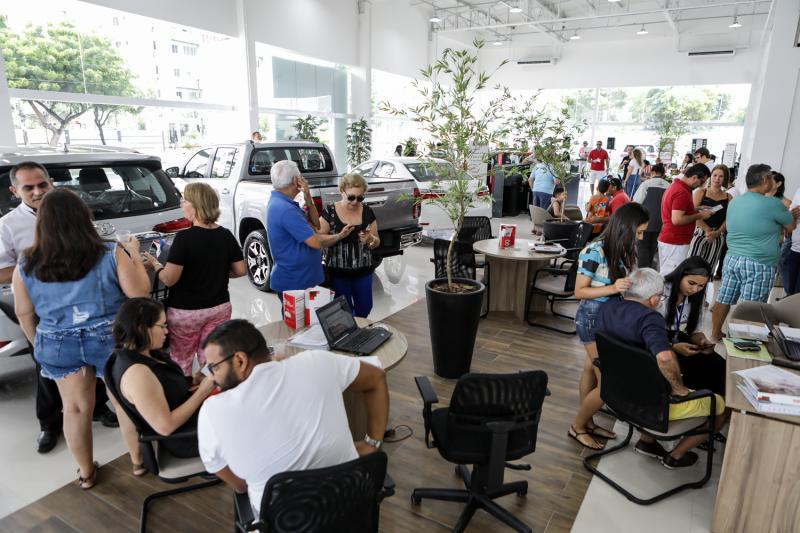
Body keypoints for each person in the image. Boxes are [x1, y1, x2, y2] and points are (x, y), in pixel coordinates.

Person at [12, 189, 151, 489]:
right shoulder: (109, 251)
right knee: (123, 401)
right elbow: (139, 292)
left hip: (56, 341)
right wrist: (134, 254)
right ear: (84, 217)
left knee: (74, 409)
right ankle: (139, 462)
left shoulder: (26, 262)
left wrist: (38, 343)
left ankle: (86, 473)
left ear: (42, 222)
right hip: (108, 336)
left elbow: (24, 311)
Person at [197, 319, 389, 516]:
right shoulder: (317, 362)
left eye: (214, 368)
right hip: (350, 507)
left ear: (240, 360)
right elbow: (376, 377)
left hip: (285, 522)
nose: (211, 377)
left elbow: (233, 480)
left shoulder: (212, 411)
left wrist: (247, 485)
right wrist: (372, 443)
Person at [0, 161, 117, 454]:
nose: (38, 192)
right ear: (15, 191)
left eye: (43, 184)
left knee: (97, 361)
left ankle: (98, 407)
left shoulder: (72, 215)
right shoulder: (8, 225)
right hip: (45, 309)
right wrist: (46, 263)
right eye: (28, 187)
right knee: (48, 371)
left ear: (51, 182)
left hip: (88, 304)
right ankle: (49, 424)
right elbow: (2, 270)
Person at [594, 268, 726, 468]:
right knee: (723, 404)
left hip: (618, 394)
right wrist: (680, 389)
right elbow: (664, 358)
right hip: (652, 404)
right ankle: (677, 456)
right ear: (654, 299)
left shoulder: (607, 307)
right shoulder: (650, 318)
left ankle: (647, 441)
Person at [568, 203, 650, 450]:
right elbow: (579, 291)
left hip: (610, 316)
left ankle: (588, 422)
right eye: (639, 232)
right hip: (592, 318)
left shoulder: (624, 248)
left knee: (590, 369)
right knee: (609, 383)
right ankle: (578, 426)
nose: (641, 238)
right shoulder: (594, 251)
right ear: (626, 227)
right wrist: (613, 288)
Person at [144, 183, 246, 375]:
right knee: (212, 358)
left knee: (182, 360)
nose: (181, 205)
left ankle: (186, 390)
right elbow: (240, 270)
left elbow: (169, 279)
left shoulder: (184, 238)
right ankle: (212, 388)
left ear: (197, 206)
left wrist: (155, 264)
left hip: (186, 313)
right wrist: (216, 271)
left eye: (184, 201)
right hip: (219, 308)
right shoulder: (225, 234)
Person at [110, 298, 216, 468]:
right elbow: (166, 427)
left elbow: (166, 388)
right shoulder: (137, 374)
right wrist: (203, 391)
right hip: (188, 436)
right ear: (142, 328)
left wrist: (194, 380)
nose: (167, 331)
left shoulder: (143, 352)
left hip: (197, 419)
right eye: (162, 326)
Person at [711, 164, 800, 339]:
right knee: (752, 306)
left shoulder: (735, 201)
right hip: (759, 263)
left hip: (733, 258)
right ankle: (743, 341)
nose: (773, 181)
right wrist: (793, 217)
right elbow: (790, 227)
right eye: (771, 178)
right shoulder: (773, 204)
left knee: (724, 297)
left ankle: (715, 334)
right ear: (765, 180)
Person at [266, 160, 354, 297]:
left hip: (302, 278)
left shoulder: (282, 203)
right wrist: (339, 236)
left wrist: (307, 196)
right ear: (295, 180)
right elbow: (316, 242)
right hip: (296, 282)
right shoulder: (286, 209)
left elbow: (316, 224)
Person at [659, 257, 726, 396]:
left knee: (720, 365)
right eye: (691, 283)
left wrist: (702, 340)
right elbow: (645, 333)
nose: (695, 289)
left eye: (701, 286)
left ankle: (718, 403)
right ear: (680, 275)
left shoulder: (696, 297)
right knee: (700, 372)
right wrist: (672, 346)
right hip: (657, 344)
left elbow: (694, 329)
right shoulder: (660, 292)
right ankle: (698, 400)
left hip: (677, 340)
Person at [318, 173, 380, 318]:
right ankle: (352, 329)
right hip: (338, 273)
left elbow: (376, 242)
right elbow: (319, 240)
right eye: (351, 197)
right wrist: (340, 236)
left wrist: (370, 239)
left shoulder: (367, 211)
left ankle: (358, 326)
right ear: (342, 191)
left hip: (364, 271)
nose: (355, 202)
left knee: (365, 307)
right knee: (344, 311)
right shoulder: (330, 212)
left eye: (360, 198)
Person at [657, 163, 713, 275]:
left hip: (671, 240)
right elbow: (677, 219)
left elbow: (677, 210)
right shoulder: (682, 191)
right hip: (675, 242)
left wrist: (696, 209)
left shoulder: (677, 186)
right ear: (694, 178)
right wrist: (701, 215)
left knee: (668, 273)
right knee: (671, 275)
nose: (701, 185)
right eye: (702, 182)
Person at [688, 165, 732, 272]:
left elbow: (729, 218)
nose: (717, 178)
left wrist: (718, 232)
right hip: (699, 233)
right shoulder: (700, 192)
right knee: (691, 266)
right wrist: (707, 230)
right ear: (710, 176)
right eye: (715, 175)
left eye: (721, 176)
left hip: (718, 235)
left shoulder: (728, 197)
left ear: (725, 178)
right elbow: (693, 214)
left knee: (709, 268)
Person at [635, 164, 671, 268]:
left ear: (653, 172)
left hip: (645, 222)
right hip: (662, 223)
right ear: (663, 174)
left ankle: (643, 270)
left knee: (642, 246)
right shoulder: (669, 186)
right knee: (654, 247)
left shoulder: (646, 184)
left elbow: (636, 202)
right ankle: (650, 269)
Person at [781, 186, 800, 296]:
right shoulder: (799, 190)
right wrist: (793, 213)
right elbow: (791, 211)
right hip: (795, 247)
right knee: (792, 290)